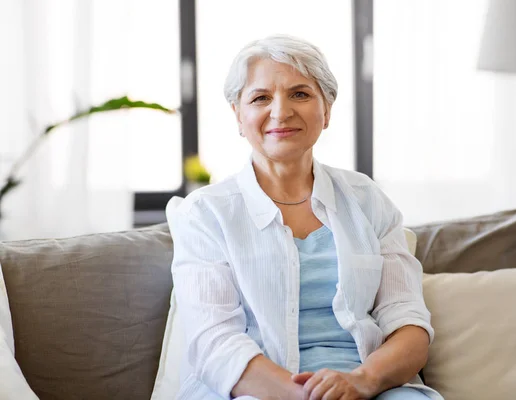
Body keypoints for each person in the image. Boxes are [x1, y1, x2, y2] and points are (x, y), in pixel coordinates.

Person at [166, 34, 443, 400]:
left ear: (326, 111)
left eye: (300, 94)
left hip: (366, 386)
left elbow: (408, 322)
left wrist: (362, 381)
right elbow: (215, 342)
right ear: (238, 114)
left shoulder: (367, 200)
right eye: (261, 97)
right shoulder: (205, 213)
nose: (280, 112)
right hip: (251, 390)